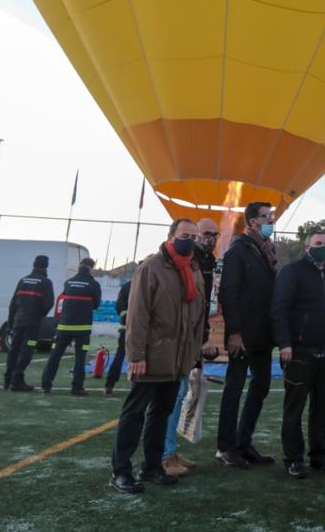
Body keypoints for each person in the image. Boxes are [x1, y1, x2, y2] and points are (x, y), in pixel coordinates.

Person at [110, 217, 208, 493]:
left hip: (177, 359)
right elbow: (138, 316)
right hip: (152, 356)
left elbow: (197, 317)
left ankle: (152, 466)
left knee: (161, 414)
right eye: (185, 234)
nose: (191, 240)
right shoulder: (151, 267)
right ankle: (121, 471)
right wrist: (137, 355)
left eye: (195, 236)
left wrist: (192, 353)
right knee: (135, 413)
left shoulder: (195, 270)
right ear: (171, 236)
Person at [273, 229, 325, 478]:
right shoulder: (292, 272)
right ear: (307, 247)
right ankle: (293, 458)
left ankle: (320, 456)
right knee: (294, 407)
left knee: (322, 407)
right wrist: (285, 343)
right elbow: (280, 309)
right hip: (299, 351)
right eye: (318, 243)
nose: (324, 247)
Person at [215, 201, 278, 469]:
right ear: (252, 222)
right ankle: (225, 447)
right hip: (244, 333)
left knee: (261, 385)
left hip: (263, 333)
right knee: (235, 387)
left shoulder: (265, 251)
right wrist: (235, 332)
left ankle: (244, 442)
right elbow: (228, 293)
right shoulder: (238, 250)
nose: (271, 222)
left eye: (271, 217)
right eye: (266, 217)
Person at [164, 220, 221, 475]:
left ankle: (170, 451)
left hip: (193, 337)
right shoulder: (185, 262)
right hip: (178, 340)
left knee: (183, 393)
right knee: (172, 397)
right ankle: (164, 455)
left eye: (213, 235)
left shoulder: (206, 262)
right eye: (205, 234)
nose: (209, 238)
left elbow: (204, 306)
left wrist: (204, 336)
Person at [41, 256, 101, 395]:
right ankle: (77, 387)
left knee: (55, 356)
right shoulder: (93, 285)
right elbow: (96, 304)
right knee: (80, 358)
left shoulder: (68, 282)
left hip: (64, 326)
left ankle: (46, 385)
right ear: (91, 268)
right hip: (82, 328)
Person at [4, 255, 55, 392]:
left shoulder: (23, 280)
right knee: (27, 350)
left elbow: (13, 303)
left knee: (14, 350)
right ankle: (17, 379)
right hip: (32, 323)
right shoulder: (46, 282)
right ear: (46, 266)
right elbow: (49, 303)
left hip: (18, 321)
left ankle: (7, 379)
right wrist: (39, 315)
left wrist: (11, 322)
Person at [104, 278, 132, 396]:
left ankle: (110, 384)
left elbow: (119, 305)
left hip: (126, 327)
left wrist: (126, 317)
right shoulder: (150, 282)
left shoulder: (126, 286)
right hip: (144, 329)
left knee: (120, 355)